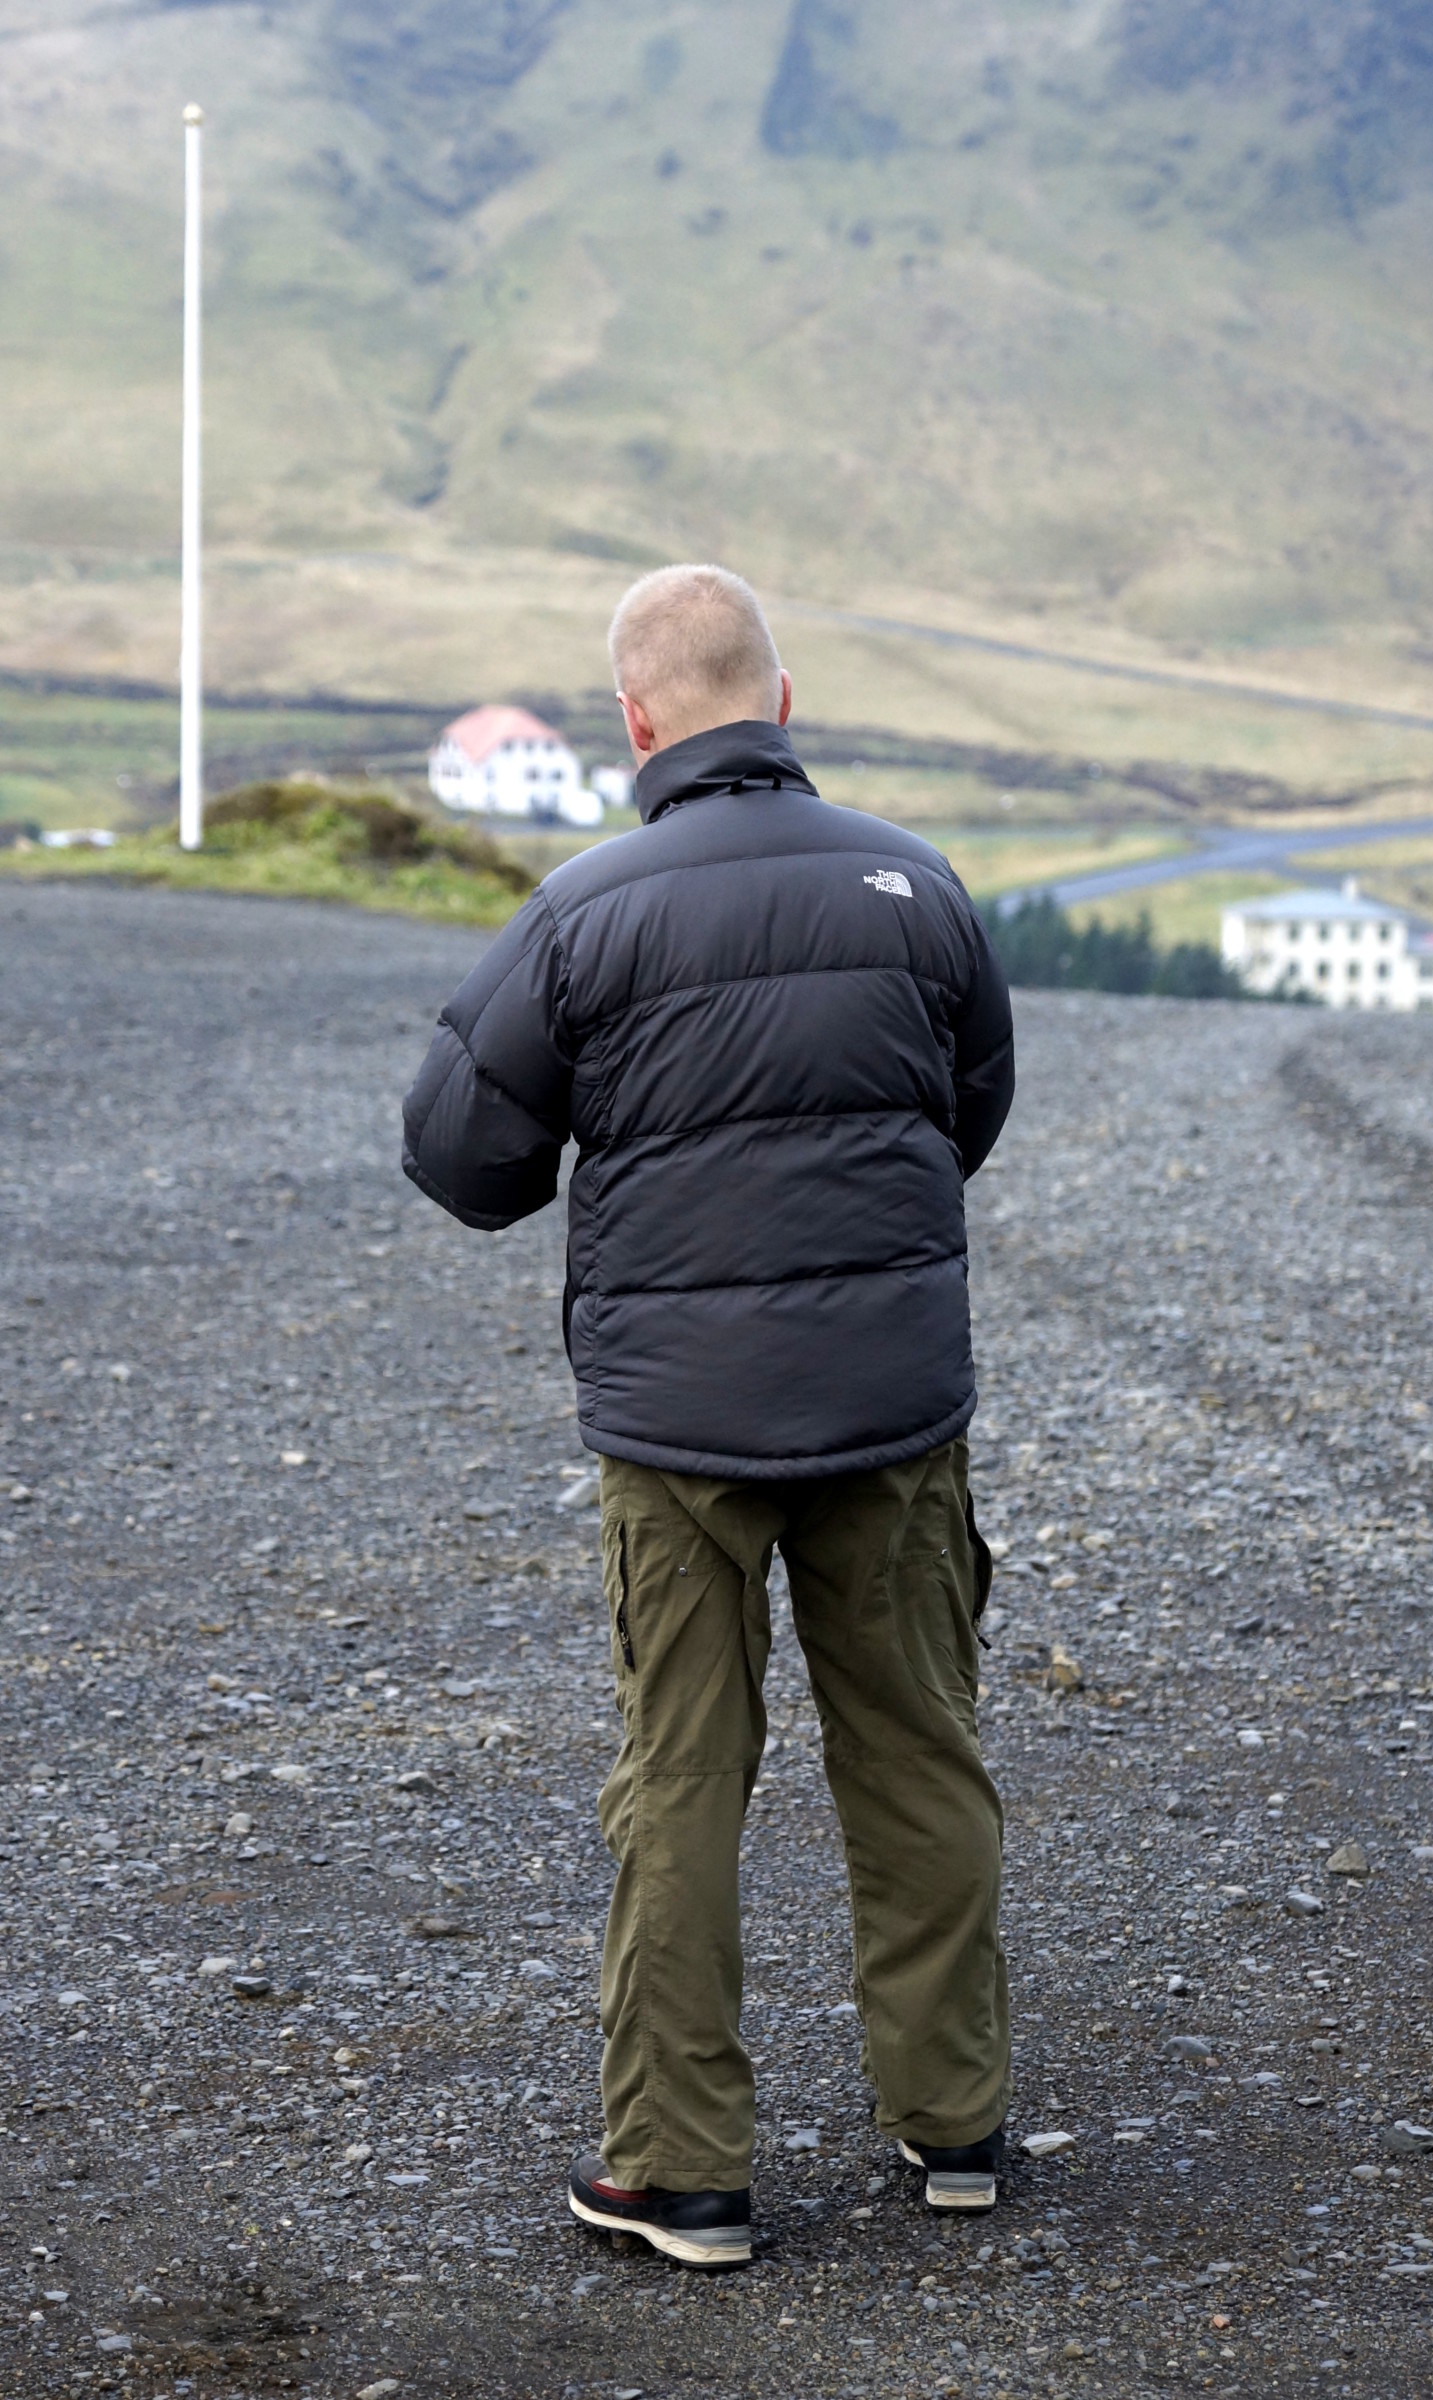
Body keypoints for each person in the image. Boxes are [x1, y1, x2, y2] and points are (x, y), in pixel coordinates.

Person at [402, 564, 1016, 2270]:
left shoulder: (582, 909)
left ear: (634, 721)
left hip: (678, 1429)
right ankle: (954, 2125)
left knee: (678, 1771)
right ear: (783, 698)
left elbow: (461, 1159)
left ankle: (681, 2172)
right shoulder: (916, 882)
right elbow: (967, 1113)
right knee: (918, 1749)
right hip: (893, 1403)